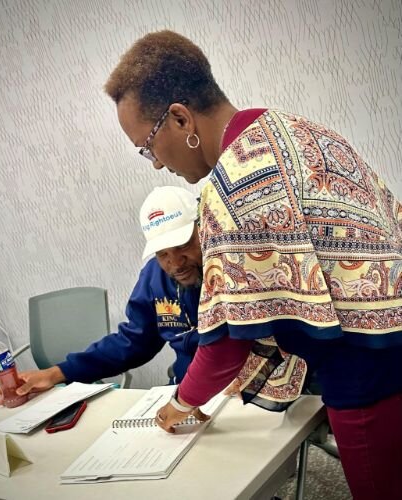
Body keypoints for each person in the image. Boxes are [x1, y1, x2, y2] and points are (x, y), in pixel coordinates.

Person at [105, 30, 402, 499]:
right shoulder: (300, 131)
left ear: (180, 118)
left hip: (367, 374)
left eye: (148, 146)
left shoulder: (233, 188)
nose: (157, 165)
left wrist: (183, 401)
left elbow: (225, 340)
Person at [0, 185, 305, 411]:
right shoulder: (154, 278)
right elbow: (134, 341)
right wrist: (57, 373)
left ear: (202, 230)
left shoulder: (236, 266)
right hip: (190, 394)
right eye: (163, 253)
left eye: (183, 246)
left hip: (251, 390)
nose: (175, 263)